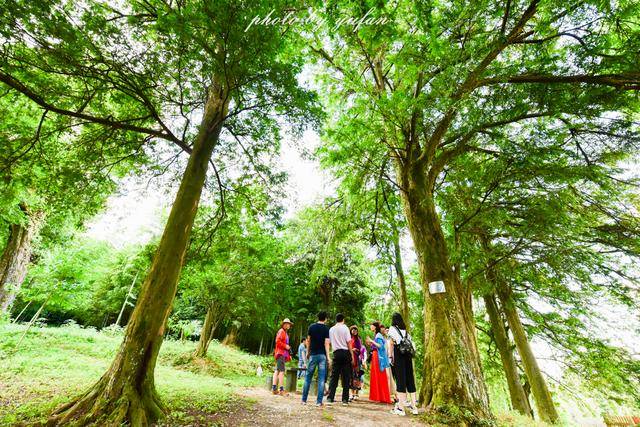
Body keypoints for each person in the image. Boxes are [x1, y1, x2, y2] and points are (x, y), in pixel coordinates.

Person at [388, 312, 418, 415]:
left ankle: (401, 408)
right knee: (410, 380)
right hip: (408, 356)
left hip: (399, 356)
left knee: (401, 381)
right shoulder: (405, 331)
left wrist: (390, 356)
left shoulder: (392, 329)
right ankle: (414, 407)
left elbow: (392, 344)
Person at [301, 311, 331, 406]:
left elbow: (308, 341)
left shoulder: (311, 327)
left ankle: (303, 400)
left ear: (318, 318)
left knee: (308, 377)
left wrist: (307, 352)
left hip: (313, 355)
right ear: (325, 318)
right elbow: (326, 343)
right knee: (321, 379)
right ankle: (319, 402)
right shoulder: (326, 329)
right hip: (322, 356)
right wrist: (328, 356)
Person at [327, 313, 353, 405]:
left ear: (336, 319)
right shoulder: (345, 328)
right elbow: (349, 342)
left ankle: (330, 398)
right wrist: (352, 355)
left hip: (336, 353)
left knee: (334, 376)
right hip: (345, 353)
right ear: (343, 320)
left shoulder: (331, 329)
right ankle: (345, 400)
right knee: (346, 376)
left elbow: (329, 342)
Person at [366, 321, 392, 404]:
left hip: (378, 357)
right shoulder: (377, 335)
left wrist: (372, 341)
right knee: (377, 375)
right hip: (375, 355)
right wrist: (371, 343)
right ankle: (378, 396)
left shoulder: (378, 335)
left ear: (375, 327)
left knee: (379, 375)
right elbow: (376, 346)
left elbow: (380, 346)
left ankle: (382, 397)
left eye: (372, 326)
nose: (371, 327)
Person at [272, 318, 292, 396]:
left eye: (289, 324)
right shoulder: (281, 331)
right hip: (280, 354)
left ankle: (274, 389)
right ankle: (281, 390)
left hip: (282, 354)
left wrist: (288, 354)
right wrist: (285, 346)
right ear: (283, 324)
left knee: (277, 371)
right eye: (286, 324)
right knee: (282, 372)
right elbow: (277, 341)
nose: (288, 325)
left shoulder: (285, 332)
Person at [381, 324, 398, 403]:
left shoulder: (392, 339)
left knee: (392, 377)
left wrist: (391, 358)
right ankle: (389, 395)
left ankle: (394, 395)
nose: (386, 332)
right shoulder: (383, 339)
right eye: (385, 330)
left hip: (392, 360)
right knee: (388, 377)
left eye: (387, 330)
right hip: (385, 361)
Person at [348, 325, 364, 401]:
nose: (354, 331)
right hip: (350, 359)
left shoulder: (358, 339)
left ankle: (356, 393)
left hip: (357, 359)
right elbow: (347, 347)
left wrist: (356, 350)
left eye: (356, 330)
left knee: (357, 376)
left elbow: (361, 350)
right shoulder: (349, 339)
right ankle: (352, 393)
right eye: (353, 330)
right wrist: (351, 349)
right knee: (351, 376)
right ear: (351, 331)